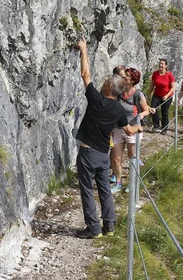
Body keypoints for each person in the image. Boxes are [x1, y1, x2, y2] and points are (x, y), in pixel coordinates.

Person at [75, 38, 140, 239]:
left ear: (108, 88)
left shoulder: (96, 100)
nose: (102, 83)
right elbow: (129, 130)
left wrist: (84, 50)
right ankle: (109, 226)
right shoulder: (119, 110)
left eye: (105, 82)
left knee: (87, 189)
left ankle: (94, 229)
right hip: (104, 155)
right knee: (104, 189)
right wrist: (140, 125)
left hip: (87, 152)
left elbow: (85, 74)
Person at [110, 67, 152, 194]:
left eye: (127, 75)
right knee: (116, 159)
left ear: (133, 80)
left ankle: (132, 183)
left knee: (133, 159)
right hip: (118, 128)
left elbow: (146, 110)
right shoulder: (119, 91)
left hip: (132, 129)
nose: (124, 77)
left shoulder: (138, 94)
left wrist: (141, 116)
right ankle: (118, 182)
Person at [149, 59, 176, 134]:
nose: (161, 65)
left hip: (167, 95)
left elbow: (173, 87)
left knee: (164, 112)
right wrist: (149, 94)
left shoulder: (169, 75)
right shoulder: (155, 74)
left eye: (162, 64)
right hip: (157, 95)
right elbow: (152, 84)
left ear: (166, 66)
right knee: (153, 109)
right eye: (160, 63)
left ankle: (164, 128)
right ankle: (156, 125)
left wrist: (167, 95)